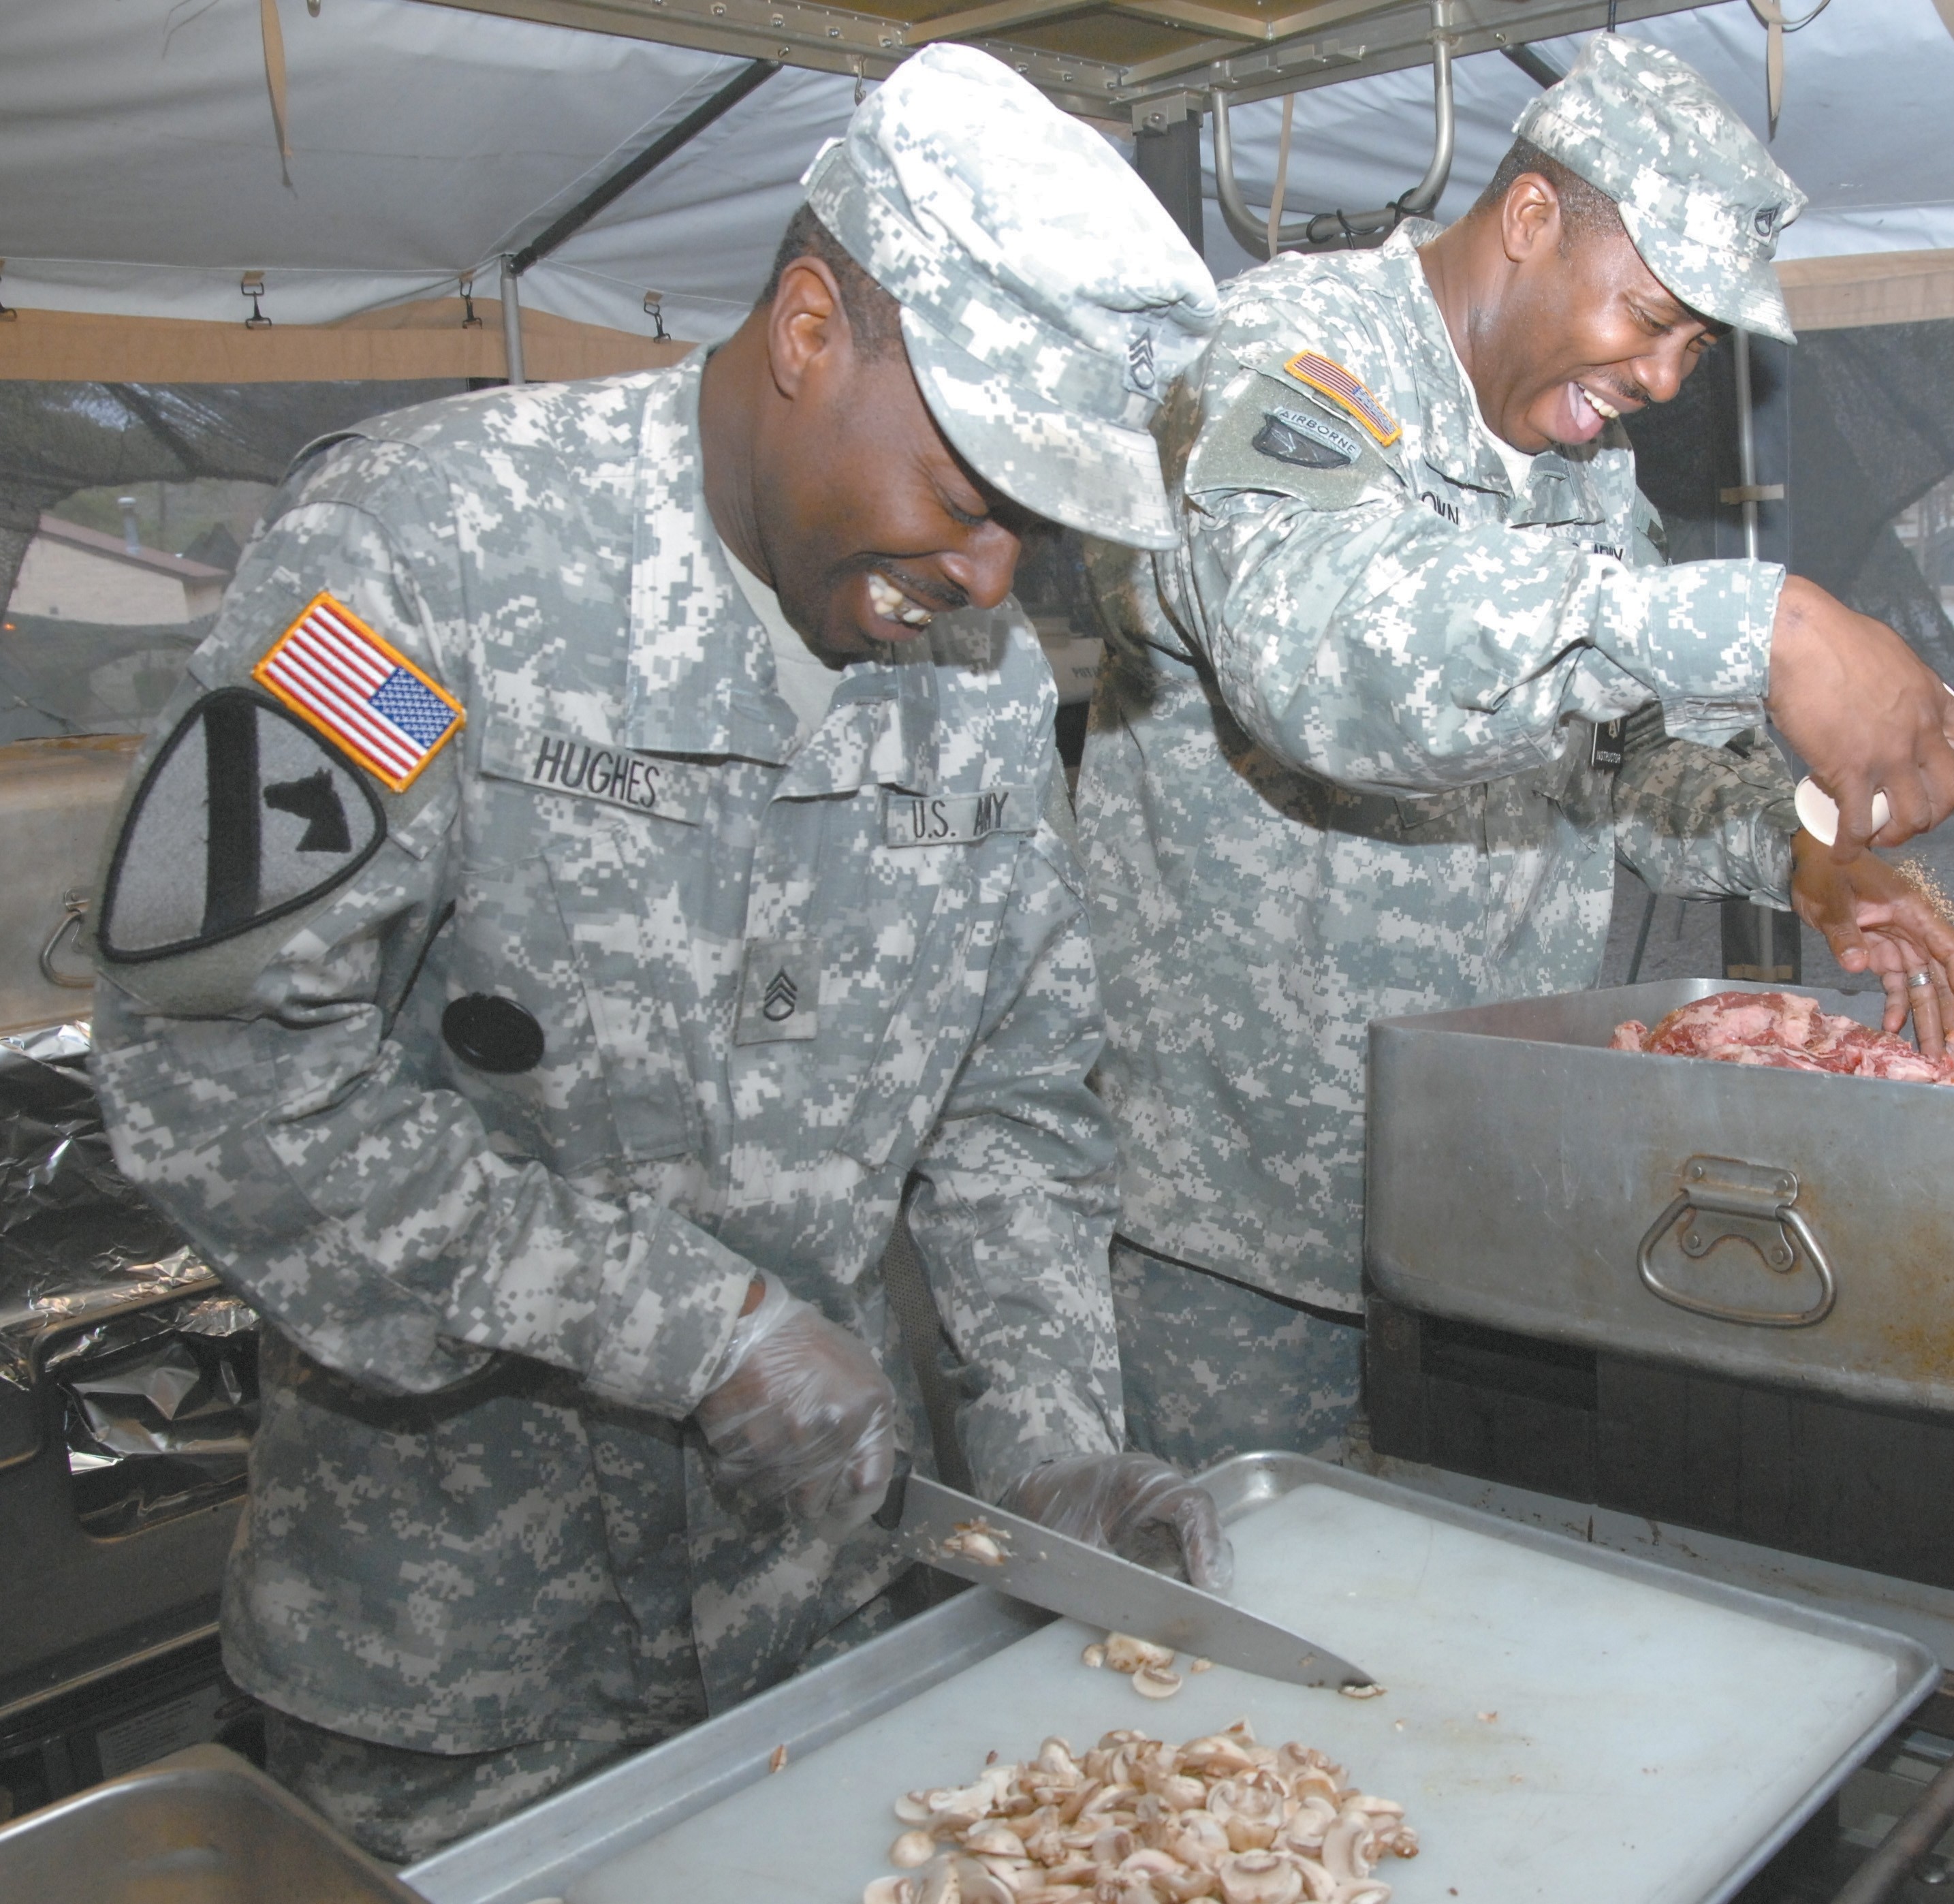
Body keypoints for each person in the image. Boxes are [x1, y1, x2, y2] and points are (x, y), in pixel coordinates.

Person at [87, 46, 1227, 1864]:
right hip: (453, 1679)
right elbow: (215, 1074)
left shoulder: (985, 688)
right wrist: (689, 1325)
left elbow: (1013, 1097)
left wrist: (1044, 1431)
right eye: (972, 480)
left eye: (1048, 524)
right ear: (805, 327)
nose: (1001, 575)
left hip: (803, 1642)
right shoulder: (414, 560)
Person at [1077, 31, 1954, 1469]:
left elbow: (1620, 760)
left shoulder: (1581, 477)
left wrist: (1807, 859)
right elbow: (1315, 651)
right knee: (1217, 1658)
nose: (1669, 375)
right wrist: (1768, 628)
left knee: (1470, 1636)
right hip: (1244, 1215)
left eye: (1699, 345)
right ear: (1530, 217)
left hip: (1489, 1200)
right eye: (1651, 314)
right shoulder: (1298, 351)